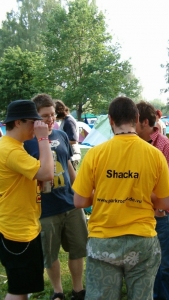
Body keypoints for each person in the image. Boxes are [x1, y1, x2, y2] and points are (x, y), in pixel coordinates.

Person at [72, 96, 169, 300]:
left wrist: (106, 193)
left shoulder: (95, 154)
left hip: (103, 240)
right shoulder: (154, 155)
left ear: (110, 120)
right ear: (137, 118)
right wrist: (140, 193)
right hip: (142, 240)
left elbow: (80, 201)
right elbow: (166, 203)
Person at [24, 94, 87, 300]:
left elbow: (70, 169)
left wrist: (80, 194)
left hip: (70, 205)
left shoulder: (60, 136)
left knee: (77, 249)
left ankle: (78, 289)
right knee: (50, 254)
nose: (50, 119)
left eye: (52, 114)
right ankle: (58, 291)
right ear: (35, 118)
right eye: (45, 116)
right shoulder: (27, 143)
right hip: (46, 209)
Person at [0, 100, 54, 300]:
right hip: (16, 231)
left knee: (23, 287)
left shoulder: (14, 146)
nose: (37, 126)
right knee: (18, 289)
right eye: (34, 122)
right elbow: (47, 172)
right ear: (18, 122)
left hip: (23, 226)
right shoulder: (11, 150)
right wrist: (43, 140)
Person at [136, 100, 169, 300]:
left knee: (166, 265)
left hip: (161, 215)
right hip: (143, 214)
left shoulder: (165, 145)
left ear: (145, 122)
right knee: (148, 263)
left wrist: (162, 210)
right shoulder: (138, 144)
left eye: (134, 122)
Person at [55, 100, 81, 170]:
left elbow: (73, 140)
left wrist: (58, 142)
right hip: (69, 155)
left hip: (73, 155)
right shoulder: (65, 120)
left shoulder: (69, 121)